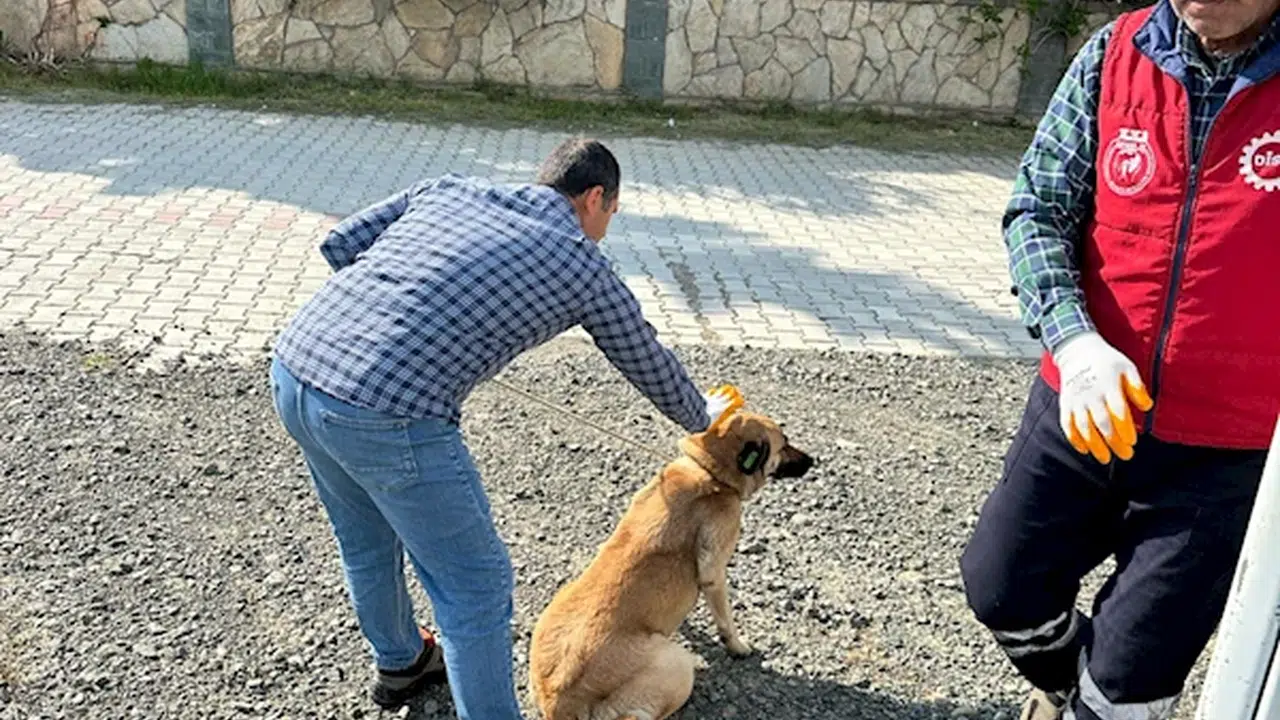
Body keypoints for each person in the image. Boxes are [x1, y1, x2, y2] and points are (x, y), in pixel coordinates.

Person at [267, 138, 737, 719]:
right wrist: (703, 417)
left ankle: (402, 660)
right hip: (389, 414)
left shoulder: (449, 189)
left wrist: (399, 316)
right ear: (595, 198)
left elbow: (340, 244)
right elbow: (644, 358)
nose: (606, 227)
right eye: (612, 213)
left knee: (365, 540)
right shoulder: (579, 261)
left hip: (296, 369)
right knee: (476, 588)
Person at [957, 0, 1280, 716]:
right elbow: (1039, 209)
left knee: (1132, 679)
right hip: (1086, 404)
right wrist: (1073, 344)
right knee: (1001, 586)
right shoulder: (1115, 52)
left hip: (1226, 451)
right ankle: (1070, 689)